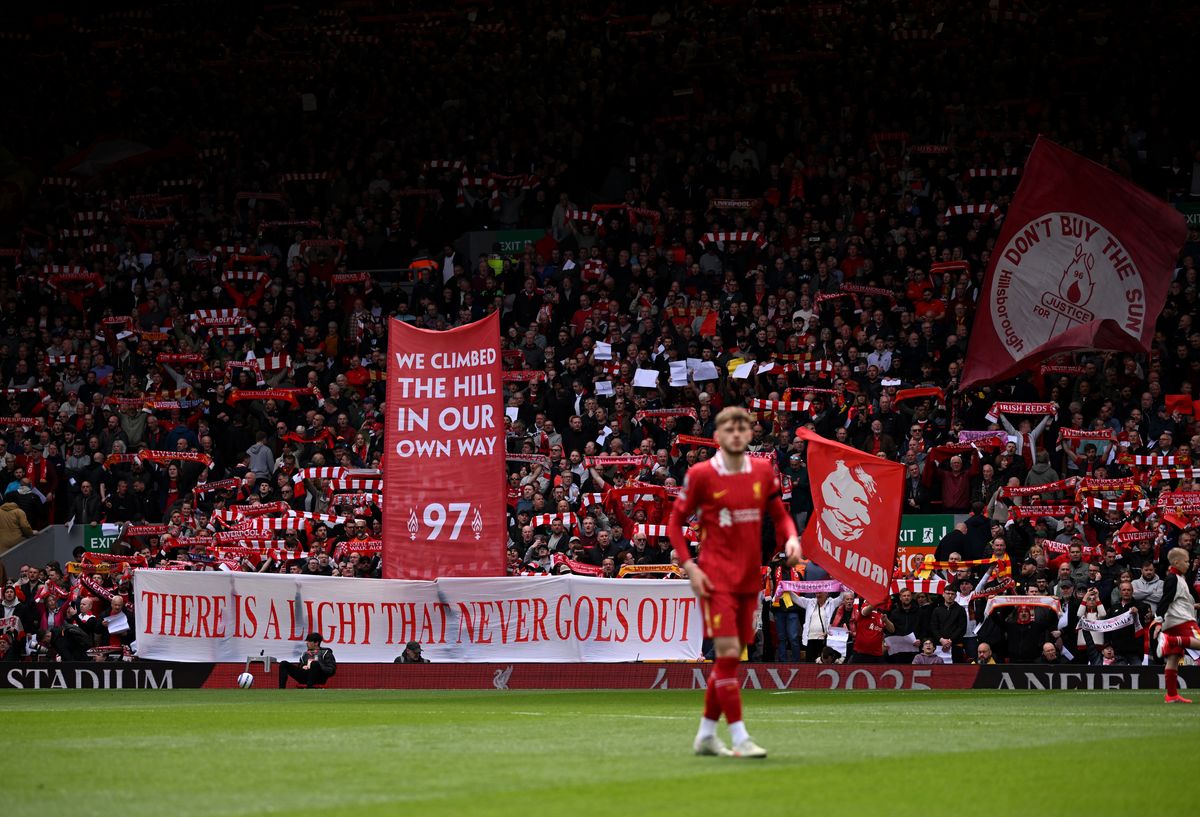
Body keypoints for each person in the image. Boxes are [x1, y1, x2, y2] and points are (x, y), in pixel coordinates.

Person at [668, 406, 801, 759]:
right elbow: (674, 524)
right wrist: (690, 567)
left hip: (748, 579)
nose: (737, 434)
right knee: (727, 654)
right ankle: (740, 737)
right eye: (730, 428)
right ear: (718, 436)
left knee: (729, 660)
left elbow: (780, 516)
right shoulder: (700, 475)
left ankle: (706, 735)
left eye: (743, 428)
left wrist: (791, 538)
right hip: (714, 579)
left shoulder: (761, 471)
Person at [1155, 547, 1200, 703]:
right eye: (1186, 561)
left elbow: (1175, 600)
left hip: (1174, 621)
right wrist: (1158, 620)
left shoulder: (1179, 578)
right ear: (1176, 562)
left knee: (1173, 659)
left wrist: (1193, 606)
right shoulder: (1173, 578)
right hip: (1182, 620)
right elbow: (1165, 600)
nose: (1188, 564)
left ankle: (1171, 695)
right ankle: (1172, 640)